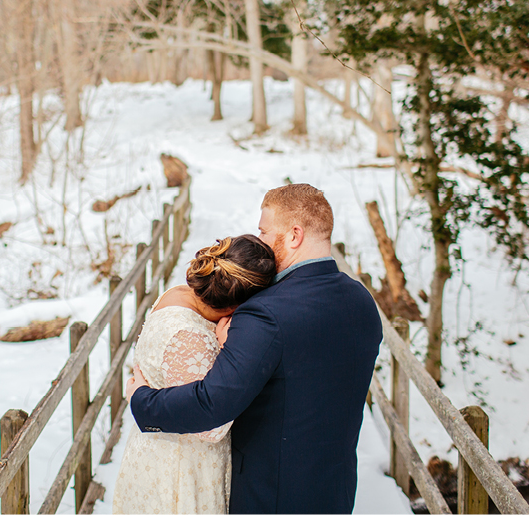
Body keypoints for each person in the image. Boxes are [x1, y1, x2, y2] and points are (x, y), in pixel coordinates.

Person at [127, 184, 382, 514]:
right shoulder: (362, 302)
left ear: (294, 235)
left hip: (269, 496)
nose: (260, 241)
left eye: (264, 231)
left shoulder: (265, 312)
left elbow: (211, 403)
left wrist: (141, 399)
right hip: (335, 492)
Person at [113, 234, 276, 514]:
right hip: (182, 473)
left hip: (157, 452)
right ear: (234, 307)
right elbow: (211, 426)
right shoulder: (188, 336)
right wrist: (228, 349)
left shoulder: (179, 294)